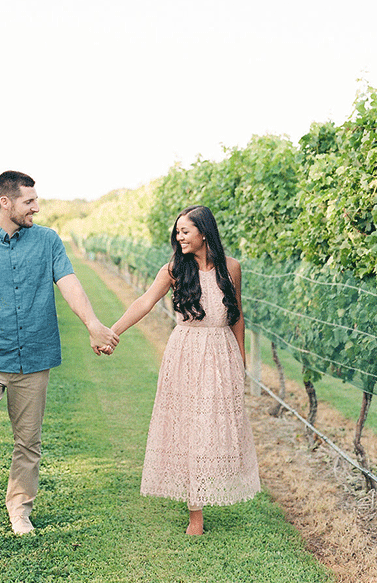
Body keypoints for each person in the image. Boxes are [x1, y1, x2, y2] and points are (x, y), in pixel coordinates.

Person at [0, 170, 118, 546]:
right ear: (5, 202)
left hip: (34, 358)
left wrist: (92, 324)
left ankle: (19, 510)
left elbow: (69, 282)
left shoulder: (48, 241)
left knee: (28, 441)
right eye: (29, 201)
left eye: (35, 201)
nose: (36, 208)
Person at [104, 205, 260, 535]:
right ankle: (195, 516)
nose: (179, 236)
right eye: (177, 232)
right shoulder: (175, 268)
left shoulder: (232, 268)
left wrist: (241, 361)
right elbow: (144, 302)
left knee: (212, 427)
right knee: (189, 429)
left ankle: (207, 490)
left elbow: (238, 316)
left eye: (185, 231)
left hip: (222, 352)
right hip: (187, 353)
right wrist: (113, 331)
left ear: (204, 233)